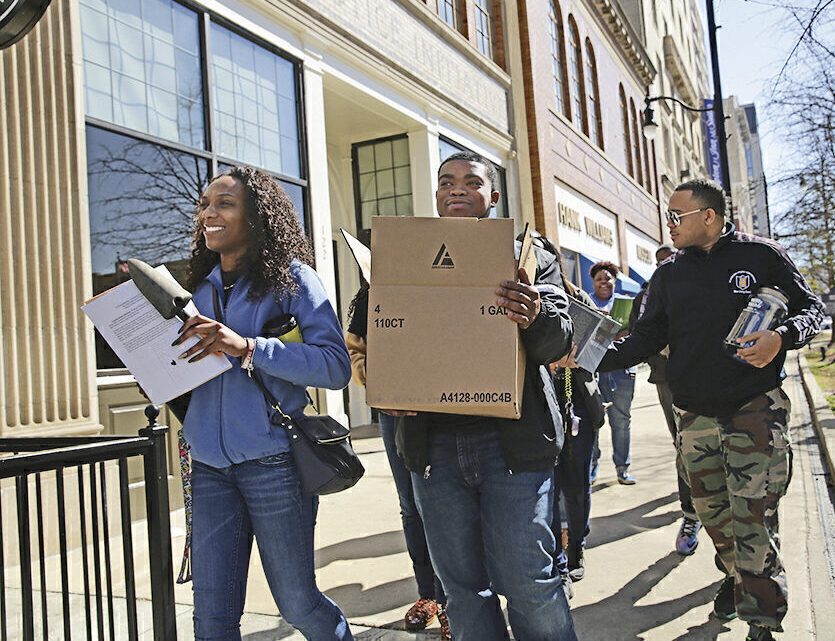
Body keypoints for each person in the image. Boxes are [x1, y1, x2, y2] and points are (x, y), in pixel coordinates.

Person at [572, 179, 824, 641]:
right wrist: (585, 358)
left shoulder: (762, 257)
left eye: (676, 216)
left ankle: (763, 620)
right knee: (713, 516)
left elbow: (812, 310)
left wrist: (780, 339)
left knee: (753, 518)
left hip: (753, 410)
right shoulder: (668, 276)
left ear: (709, 216)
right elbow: (645, 338)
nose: (668, 225)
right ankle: (735, 578)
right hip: (694, 418)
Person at [368, 152, 577, 640]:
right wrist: (386, 386)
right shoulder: (403, 253)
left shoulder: (529, 254)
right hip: (432, 451)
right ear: (437, 195)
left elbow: (559, 340)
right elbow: (377, 339)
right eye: (446, 182)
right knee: (461, 592)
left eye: (470, 181)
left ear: (493, 196)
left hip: (512, 448)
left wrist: (534, 315)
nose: (456, 189)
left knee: (529, 582)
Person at [176, 167, 353, 640]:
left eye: (225, 204)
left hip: (274, 464)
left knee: (298, 605)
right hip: (209, 467)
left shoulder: (292, 280)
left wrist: (249, 347)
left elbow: (335, 366)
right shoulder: (196, 290)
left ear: (256, 218)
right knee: (211, 618)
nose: (209, 213)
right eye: (206, 204)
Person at [344, 281, 452, 640]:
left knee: (447, 504)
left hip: (446, 401)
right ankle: (429, 595)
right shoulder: (372, 294)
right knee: (411, 505)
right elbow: (354, 348)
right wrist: (378, 380)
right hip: (396, 409)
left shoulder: (436, 278)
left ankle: (454, 601)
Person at [525, 232, 607, 594]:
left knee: (576, 488)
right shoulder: (518, 298)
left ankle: (577, 548)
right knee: (548, 487)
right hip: (538, 409)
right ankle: (557, 557)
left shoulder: (577, 298)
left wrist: (571, 359)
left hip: (576, 407)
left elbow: (597, 353)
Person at [629, 244, 700, 556]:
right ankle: (691, 515)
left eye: (670, 259)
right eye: (659, 262)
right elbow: (636, 333)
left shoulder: (701, 282)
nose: (665, 265)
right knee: (684, 446)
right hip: (667, 379)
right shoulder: (646, 294)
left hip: (708, 377)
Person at [589, 261, 637, 485]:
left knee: (621, 422)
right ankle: (591, 467)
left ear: (615, 281)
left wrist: (623, 332)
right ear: (593, 282)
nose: (604, 283)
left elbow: (639, 333)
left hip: (622, 371)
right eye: (599, 279)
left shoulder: (627, 304)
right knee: (593, 421)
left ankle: (622, 468)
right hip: (595, 371)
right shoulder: (586, 302)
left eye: (608, 278)